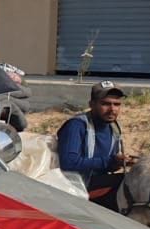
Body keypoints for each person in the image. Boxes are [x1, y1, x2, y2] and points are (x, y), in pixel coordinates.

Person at [57, 81, 134, 210]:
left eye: (117, 104)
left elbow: (105, 165)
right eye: (105, 104)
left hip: (98, 182)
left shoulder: (114, 128)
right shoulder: (77, 126)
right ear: (92, 104)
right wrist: (108, 161)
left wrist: (118, 163)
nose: (112, 109)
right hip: (75, 186)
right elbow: (68, 162)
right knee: (128, 184)